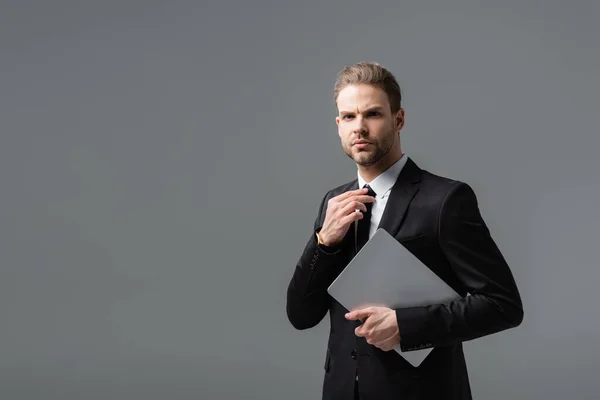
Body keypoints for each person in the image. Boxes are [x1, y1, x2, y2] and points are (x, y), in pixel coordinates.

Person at [285, 62, 524, 400]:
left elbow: (503, 305)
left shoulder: (445, 200)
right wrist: (324, 242)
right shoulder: (334, 202)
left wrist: (406, 327)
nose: (360, 128)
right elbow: (301, 315)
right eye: (349, 117)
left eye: (373, 114)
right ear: (338, 126)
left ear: (398, 120)